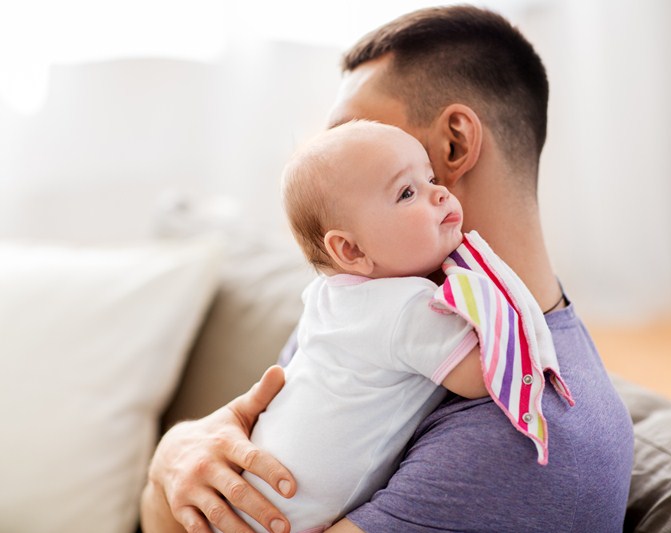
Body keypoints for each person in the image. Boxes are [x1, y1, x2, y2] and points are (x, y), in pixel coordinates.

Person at [140, 6, 635, 533]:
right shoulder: (355, 295)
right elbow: (189, 495)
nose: (329, 160)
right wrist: (172, 457)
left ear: (454, 145)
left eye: (357, 132)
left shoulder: (520, 436)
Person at [225, 119, 489, 532]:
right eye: (407, 192)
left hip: (245, 498)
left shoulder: (325, 295)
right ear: (350, 248)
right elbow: (483, 378)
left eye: (431, 177)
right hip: (288, 515)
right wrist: (486, 293)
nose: (440, 193)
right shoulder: (408, 307)